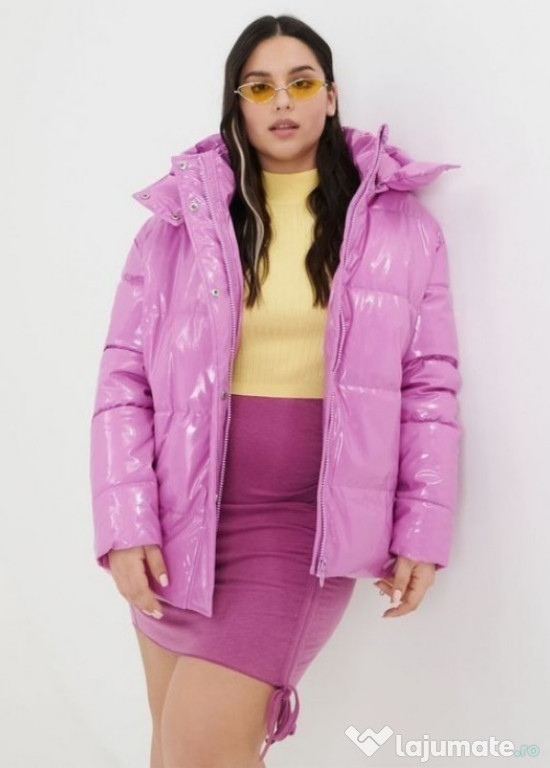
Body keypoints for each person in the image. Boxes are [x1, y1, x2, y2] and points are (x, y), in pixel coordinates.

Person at [89, 13, 462, 768]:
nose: (282, 101)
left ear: (331, 95)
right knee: (174, 753)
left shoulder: (400, 228)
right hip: (182, 526)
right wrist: (126, 524)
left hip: (301, 530)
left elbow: (430, 385)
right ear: (237, 103)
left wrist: (421, 529)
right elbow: (123, 378)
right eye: (259, 87)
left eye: (301, 82)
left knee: (198, 748)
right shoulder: (177, 226)